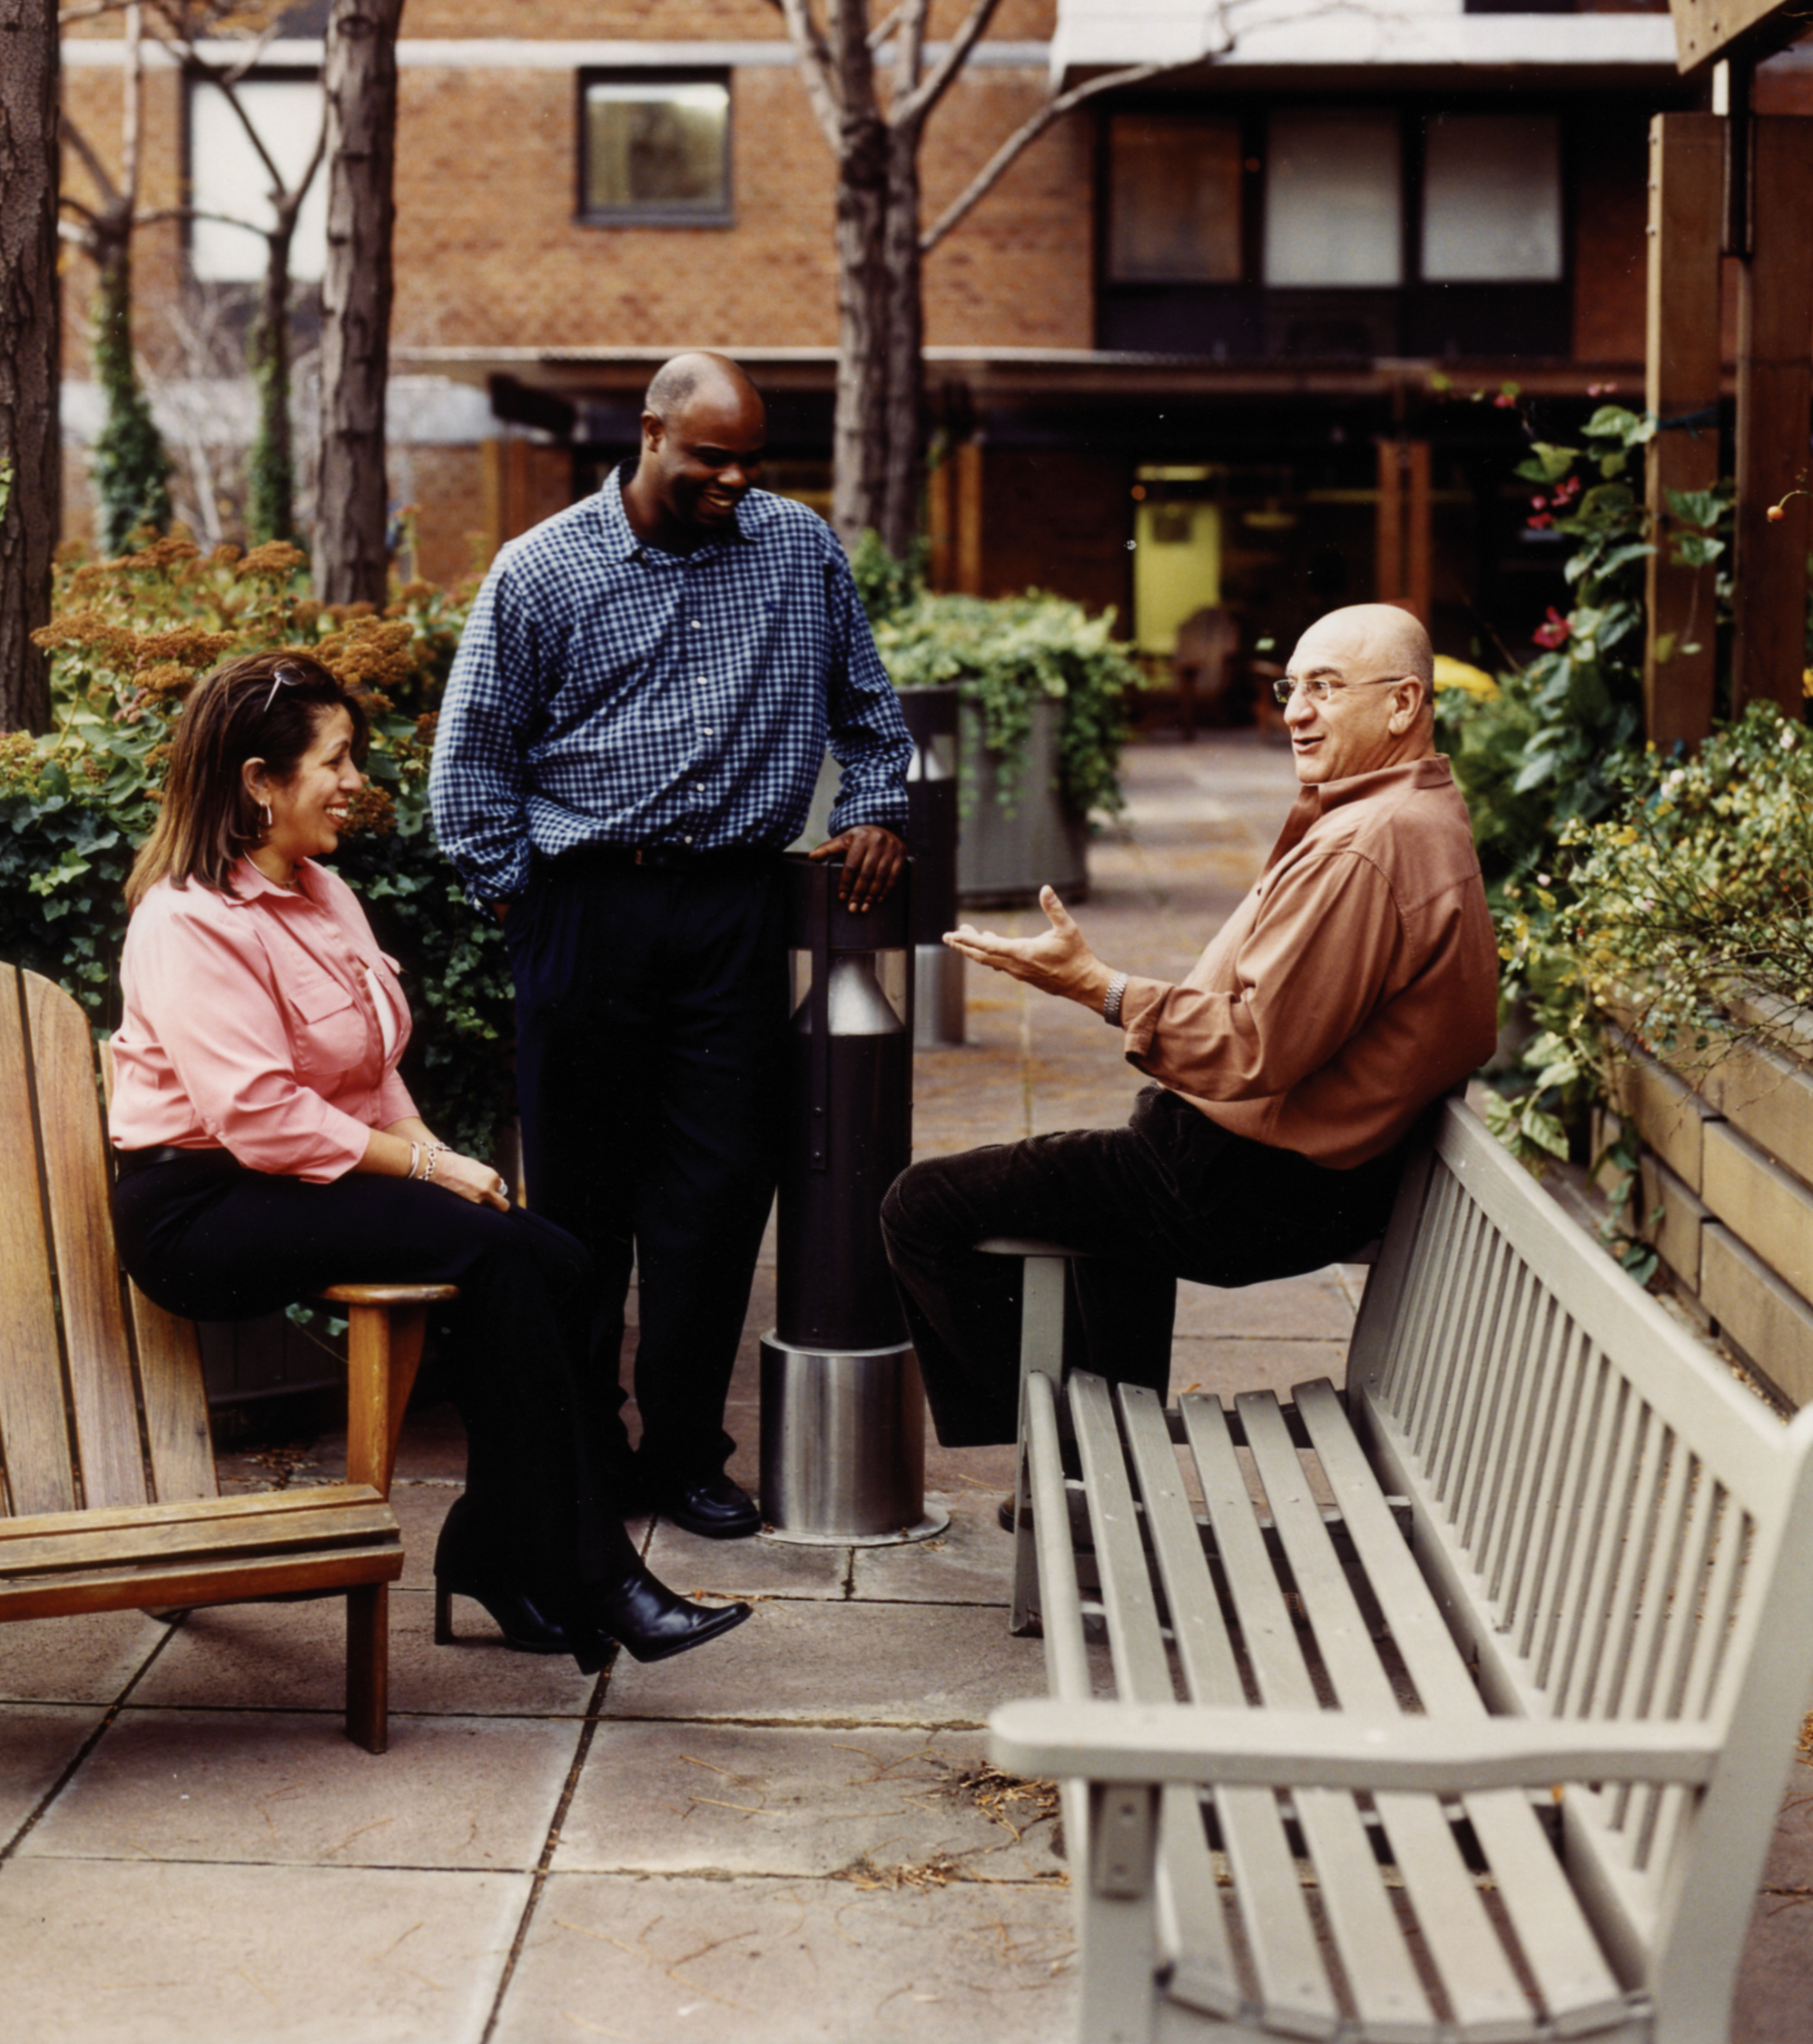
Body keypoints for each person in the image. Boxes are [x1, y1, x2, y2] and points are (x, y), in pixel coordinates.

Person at [106, 650, 748, 1671]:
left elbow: (369, 1078)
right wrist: (431, 1174)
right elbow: (260, 1115)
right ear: (259, 782)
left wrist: (446, 1157)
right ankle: (598, 1575)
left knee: (555, 1254)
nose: (357, 780)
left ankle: (495, 1547)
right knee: (496, 1255)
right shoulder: (186, 921)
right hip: (198, 1209)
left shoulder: (323, 894)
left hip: (297, 1180)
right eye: (336, 759)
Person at [429, 352, 913, 1538]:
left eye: (752, 459)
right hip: (584, 909)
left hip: (735, 915)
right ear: (648, 435)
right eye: (710, 456)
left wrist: (871, 812)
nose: (735, 479)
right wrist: (523, 901)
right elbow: (468, 768)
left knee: (714, 1195)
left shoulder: (798, 553)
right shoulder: (539, 570)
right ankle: (585, 1448)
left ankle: (685, 1454)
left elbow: (874, 720)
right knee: (580, 1206)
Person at [882, 602, 1499, 1440]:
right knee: (1101, 1208)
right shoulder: (1414, 812)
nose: (1293, 711)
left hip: (1246, 1189)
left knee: (921, 1206)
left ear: (1402, 705)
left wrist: (1096, 987)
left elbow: (1254, 1047)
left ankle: (1041, 1453)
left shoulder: (1368, 844)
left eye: (1325, 687)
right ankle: (1093, 1466)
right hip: (1289, 1174)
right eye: (1290, 685)